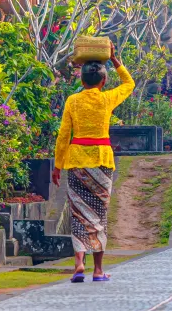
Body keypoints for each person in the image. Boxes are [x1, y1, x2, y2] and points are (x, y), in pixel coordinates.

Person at [52, 44, 134, 283]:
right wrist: (116, 60)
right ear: (103, 81)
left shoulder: (72, 101)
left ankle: (78, 263)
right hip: (101, 161)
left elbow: (63, 135)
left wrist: (58, 166)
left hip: (76, 161)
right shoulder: (107, 99)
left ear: (83, 79)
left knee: (78, 214)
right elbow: (129, 84)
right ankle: (98, 270)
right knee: (98, 214)